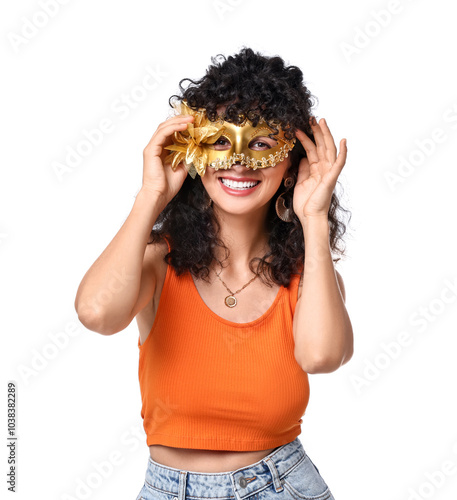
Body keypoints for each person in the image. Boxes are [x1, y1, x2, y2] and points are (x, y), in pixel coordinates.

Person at [75, 47, 353, 500]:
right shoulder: (158, 263)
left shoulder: (310, 278)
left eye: (262, 143)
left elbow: (321, 357)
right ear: (194, 153)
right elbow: (96, 314)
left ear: (290, 164)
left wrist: (315, 218)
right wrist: (152, 194)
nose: (239, 160)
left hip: (281, 486)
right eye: (220, 141)